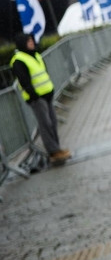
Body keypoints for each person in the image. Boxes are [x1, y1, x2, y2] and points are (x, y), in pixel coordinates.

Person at [10, 33, 71, 167]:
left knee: (52, 122)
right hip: (37, 98)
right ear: (23, 44)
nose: (32, 43)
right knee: (46, 124)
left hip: (47, 94)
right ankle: (53, 152)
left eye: (32, 40)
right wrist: (34, 96)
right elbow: (24, 81)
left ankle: (57, 149)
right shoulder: (19, 60)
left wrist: (50, 90)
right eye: (29, 41)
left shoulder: (35, 55)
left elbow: (43, 74)